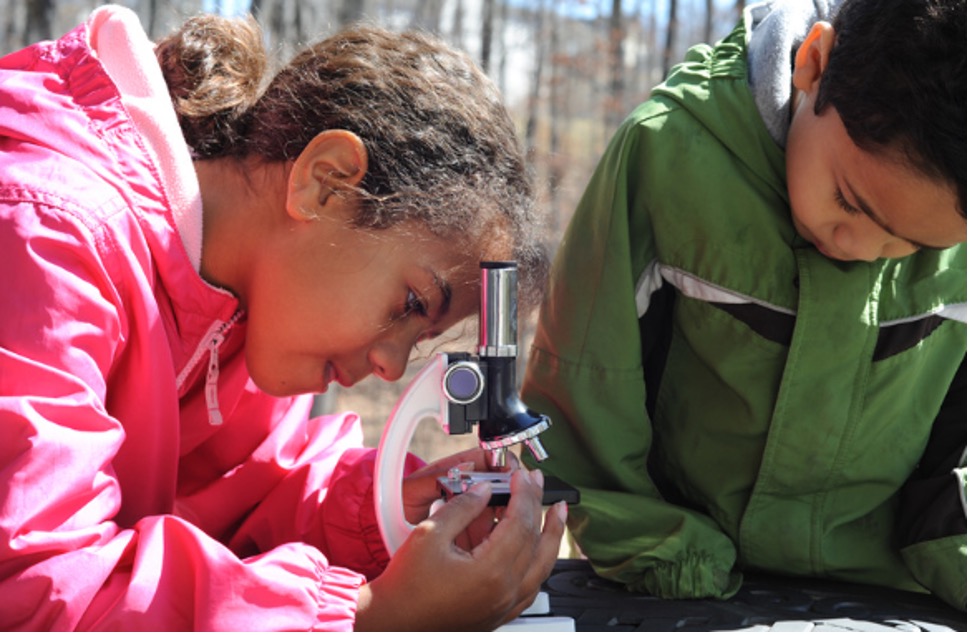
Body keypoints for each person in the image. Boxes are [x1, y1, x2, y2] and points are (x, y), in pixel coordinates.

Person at [0, 5, 566, 631]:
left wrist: (393, 513)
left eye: (422, 337)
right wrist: (371, 617)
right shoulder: (45, 236)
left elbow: (253, 491)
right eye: (410, 305)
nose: (390, 364)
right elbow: (31, 587)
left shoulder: (245, 300)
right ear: (325, 183)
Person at [521, 0, 966, 611]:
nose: (858, 247)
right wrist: (652, 546)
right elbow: (583, 388)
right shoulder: (669, 154)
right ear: (814, 62)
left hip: (893, 596)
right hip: (677, 585)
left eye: (911, 245)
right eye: (849, 201)